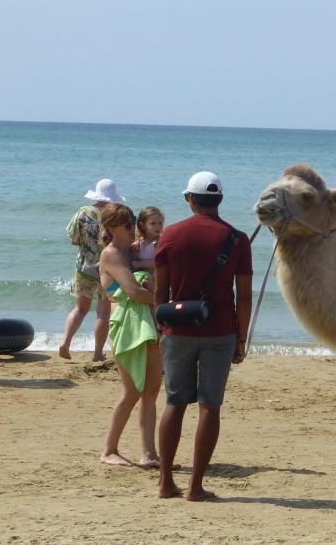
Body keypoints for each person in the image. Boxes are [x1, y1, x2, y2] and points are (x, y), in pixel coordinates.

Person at [155, 171, 253, 501]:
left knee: (174, 403)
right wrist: (242, 339)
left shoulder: (170, 234)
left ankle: (166, 482)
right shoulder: (237, 239)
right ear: (219, 200)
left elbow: (160, 291)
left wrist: (160, 328)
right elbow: (244, 296)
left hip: (177, 329)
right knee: (210, 406)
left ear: (190, 200)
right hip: (220, 330)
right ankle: (195, 486)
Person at [96, 204, 163, 468]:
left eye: (133, 221)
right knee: (132, 390)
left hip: (149, 321)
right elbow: (133, 292)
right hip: (126, 324)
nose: (131, 227)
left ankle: (149, 454)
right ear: (112, 227)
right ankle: (109, 450)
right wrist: (167, 302)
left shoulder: (134, 250)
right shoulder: (111, 254)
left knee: (151, 390)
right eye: (126, 224)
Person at [59, 179, 124, 361]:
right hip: (108, 269)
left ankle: (65, 342)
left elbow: (74, 240)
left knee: (80, 309)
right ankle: (97, 354)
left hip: (84, 267)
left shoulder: (83, 212)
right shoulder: (116, 215)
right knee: (103, 313)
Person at [132, 206, 164, 272]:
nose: (158, 226)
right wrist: (134, 253)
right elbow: (133, 260)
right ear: (143, 226)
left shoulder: (160, 241)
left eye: (160, 223)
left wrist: (139, 264)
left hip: (156, 276)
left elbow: (159, 262)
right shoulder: (139, 243)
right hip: (142, 275)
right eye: (153, 223)